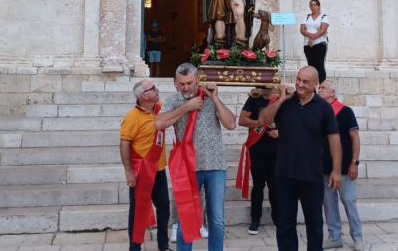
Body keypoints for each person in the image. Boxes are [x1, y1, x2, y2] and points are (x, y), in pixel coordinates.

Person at [257, 66, 341, 251]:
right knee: (285, 224)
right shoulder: (286, 103)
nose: (300, 84)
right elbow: (262, 120)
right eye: (298, 79)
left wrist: (336, 170)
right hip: (284, 174)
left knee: (314, 224)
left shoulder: (324, 108)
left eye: (305, 81)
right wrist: (279, 100)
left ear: (315, 85)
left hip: (312, 175)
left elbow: (334, 139)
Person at [156, 63, 236, 251]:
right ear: (175, 84)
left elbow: (231, 124)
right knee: (187, 217)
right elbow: (158, 124)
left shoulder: (209, 98)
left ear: (197, 80)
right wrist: (186, 107)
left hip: (215, 166)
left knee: (216, 219)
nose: (185, 88)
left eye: (189, 83)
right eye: (181, 84)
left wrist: (215, 99)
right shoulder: (174, 101)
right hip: (188, 167)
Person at [120, 80, 171, 251]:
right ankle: (134, 247)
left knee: (164, 207)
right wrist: (128, 172)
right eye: (153, 88)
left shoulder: (159, 109)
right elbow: (124, 144)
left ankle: (163, 245)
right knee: (137, 211)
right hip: (142, 171)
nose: (157, 90)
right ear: (144, 96)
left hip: (159, 170)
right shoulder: (132, 117)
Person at [318, 80, 363, 250]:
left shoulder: (345, 111)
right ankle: (335, 236)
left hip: (345, 168)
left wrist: (354, 163)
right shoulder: (319, 112)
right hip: (324, 168)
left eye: (323, 88)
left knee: (349, 202)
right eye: (319, 87)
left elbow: (355, 138)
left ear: (333, 93)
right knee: (329, 205)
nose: (319, 90)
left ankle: (358, 237)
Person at [237, 88, 279, 235]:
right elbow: (242, 120)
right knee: (258, 184)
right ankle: (255, 219)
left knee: (275, 185)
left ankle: (277, 218)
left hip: (277, 149)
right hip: (257, 148)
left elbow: (291, 121)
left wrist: (280, 131)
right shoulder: (254, 99)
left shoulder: (281, 98)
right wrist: (261, 123)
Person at [300, 0, 329, 83]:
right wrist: (309, 35)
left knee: (319, 65)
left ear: (318, 6)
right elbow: (302, 29)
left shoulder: (324, 16)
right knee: (311, 66)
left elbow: (322, 29)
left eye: (314, 5)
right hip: (307, 44)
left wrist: (312, 38)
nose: (313, 7)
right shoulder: (307, 17)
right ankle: (311, 88)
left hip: (320, 43)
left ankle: (322, 86)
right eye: (311, 5)